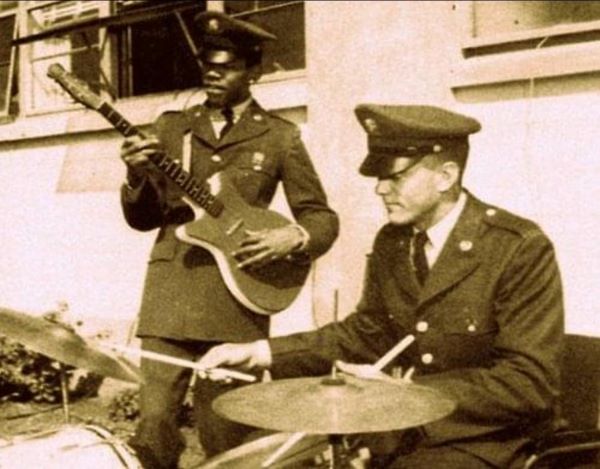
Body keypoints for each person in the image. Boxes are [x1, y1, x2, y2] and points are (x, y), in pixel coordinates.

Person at [197, 104, 565, 468]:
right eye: (378, 177)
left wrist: (409, 394)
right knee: (264, 458)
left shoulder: (517, 247)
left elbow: (528, 383)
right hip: (403, 433)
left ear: (446, 176)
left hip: (487, 441)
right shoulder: (394, 240)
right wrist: (259, 352)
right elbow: (365, 333)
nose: (380, 189)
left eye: (395, 177)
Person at [119, 11, 339, 469]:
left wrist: (292, 236)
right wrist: (135, 176)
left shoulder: (279, 136)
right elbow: (143, 220)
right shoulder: (173, 128)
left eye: (227, 67)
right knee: (153, 428)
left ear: (253, 71)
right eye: (208, 66)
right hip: (171, 297)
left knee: (227, 432)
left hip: (238, 301)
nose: (213, 75)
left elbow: (321, 217)